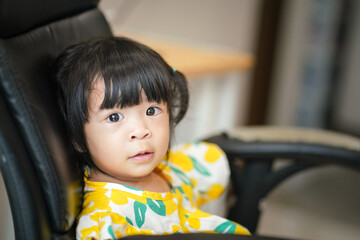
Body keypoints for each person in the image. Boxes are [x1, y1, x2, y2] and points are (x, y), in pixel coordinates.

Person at [54, 37, 250, 239]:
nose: (141, 130)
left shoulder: (169, 168)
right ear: (77, 138)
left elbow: (209, 163)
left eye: (152, 110)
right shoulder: (106, 220)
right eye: (114, 117)